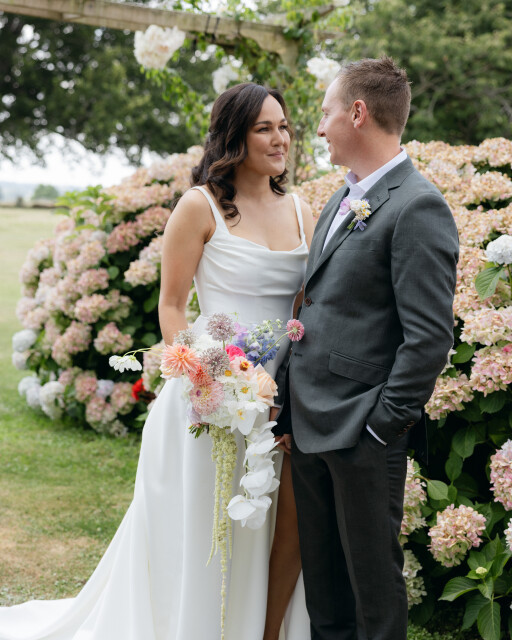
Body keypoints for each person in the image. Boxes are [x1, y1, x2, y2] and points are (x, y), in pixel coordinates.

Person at [0, 83, 314, 640]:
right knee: (205, 530)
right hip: (212, 395)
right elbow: (171, 306)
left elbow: (306, 305)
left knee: (266, 526)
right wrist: (210, 382)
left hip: (282, 398)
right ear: (234, 137)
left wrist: (289, 390)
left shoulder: (301, 209)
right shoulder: (199, 206)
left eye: (284, 126)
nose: (280, 139)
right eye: (264, 128)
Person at [275, 58, 459, 640]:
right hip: (310, 425)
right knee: (326, 594)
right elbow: (316, 307)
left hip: (362, 432)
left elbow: (429, 337)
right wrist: (287, 399)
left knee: (373, 596)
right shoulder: (339, 198)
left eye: (326, 112)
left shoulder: (418, 206)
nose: (318, 127)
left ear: (357, 113)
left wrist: (381, 426)